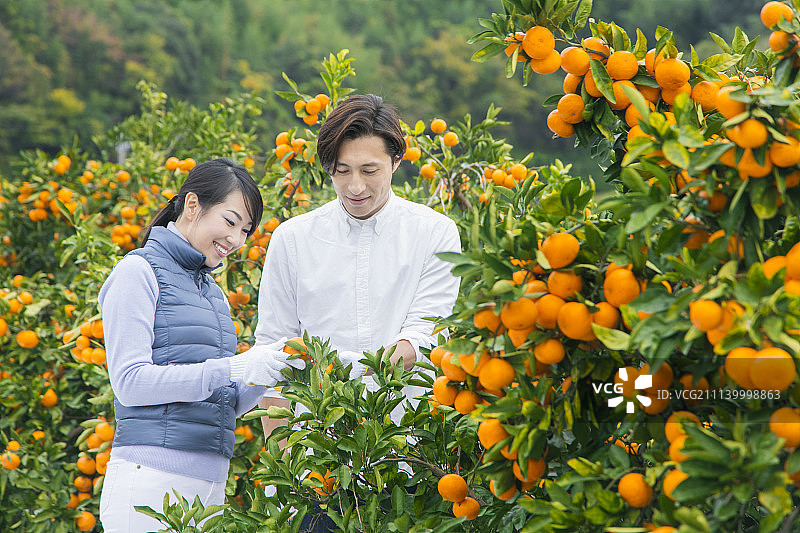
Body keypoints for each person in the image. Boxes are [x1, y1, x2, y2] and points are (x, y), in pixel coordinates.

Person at [254, 95, 461, 531]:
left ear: (397, 161)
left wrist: (356, 377)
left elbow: (426, 335)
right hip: (318, 466)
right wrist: (284, 465)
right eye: (341, 171)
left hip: (408, 458)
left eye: (370, 171)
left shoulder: (434, 233)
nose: (355, 187)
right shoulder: (293, 240)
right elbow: (272, 352)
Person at [98, 158, 301, 532]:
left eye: (246, 230)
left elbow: (224, 404)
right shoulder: (137, 272)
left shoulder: (216, 296)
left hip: (209, 488)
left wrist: (269, 371)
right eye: (230, 221)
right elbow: (129, 382)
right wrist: (233, 368)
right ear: (193, 205)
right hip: (150, 481)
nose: (237, 240)